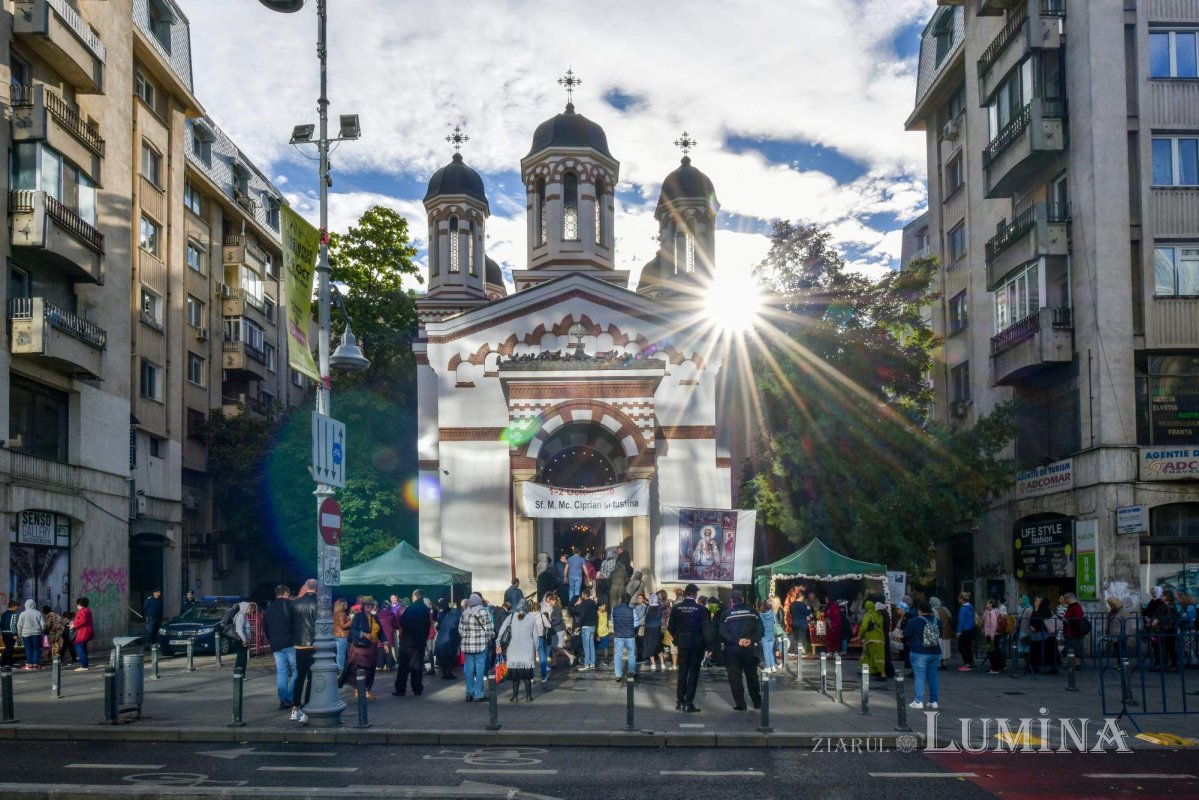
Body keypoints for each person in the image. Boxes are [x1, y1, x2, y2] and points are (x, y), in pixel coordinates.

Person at [668, 583, 711, 713]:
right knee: (693, 673)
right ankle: (688, 702)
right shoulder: (701, 609)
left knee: (682, 672)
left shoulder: (676, 608)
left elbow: (670, 626)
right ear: (694, 594)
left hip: (682, 642)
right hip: (696, 643)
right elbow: (706, 629)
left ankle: (680, 701)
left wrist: (677, 637)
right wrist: (709, 647)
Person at [718, 590, 763, 711]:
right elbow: (761, 631)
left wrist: (737, 640)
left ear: (732, 601)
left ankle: (741, 704)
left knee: (735, 678)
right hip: (750, 648)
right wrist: (749, 640)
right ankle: (757, 702)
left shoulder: (726, 615)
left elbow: (722, 633)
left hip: (732, 650)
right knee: (752, 675)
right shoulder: (753, 613)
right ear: (743, 599)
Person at [497, 600, 544, 702]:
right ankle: (528, 696)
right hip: (527, 650)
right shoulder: (531, 617)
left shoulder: (511, 616)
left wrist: (498, 644)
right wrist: (536, 647)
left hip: (513, 650)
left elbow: (501, 631)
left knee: (515, 676)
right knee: (527, 675)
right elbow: (536, 635)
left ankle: (515, 696)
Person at [341, 597, 384, 698]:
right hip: (360, 648)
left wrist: (385, 642)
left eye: (372, 605)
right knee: (359, 669)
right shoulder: (358, 616)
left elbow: (381, 632)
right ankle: (358, 689)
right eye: (368, 605)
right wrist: (363, 634)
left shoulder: (375, 617)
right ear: (364, 606)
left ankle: (367, 690)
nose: (370, 607)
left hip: (372, 647)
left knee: (371, 670)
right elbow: (352, 630)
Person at [262, 584, 295, 709]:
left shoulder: (269, 608)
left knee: (281, 672)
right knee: (297, 670)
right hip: (290, 643)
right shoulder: (290, 605)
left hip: (276, 645)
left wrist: (272, 640)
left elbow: (265, 627)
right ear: (286, 593)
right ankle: (292, 697)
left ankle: (283, 699)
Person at [395, 589, 433, 696]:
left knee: (403, 667)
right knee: (417, 667)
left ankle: (400, 689)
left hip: (407, 641)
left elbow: (402, 622)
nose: (412, 598)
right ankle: (417, 688)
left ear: (416, 596)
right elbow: (427, 626)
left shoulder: (410, 608)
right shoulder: (426, 610)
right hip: (419, 642)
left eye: (412, 596)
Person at [290, 578, 318, 723]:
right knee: (311, 678)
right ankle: (307, 707)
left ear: (305, 587)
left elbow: (291, 623)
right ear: (317, 589)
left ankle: (295, 708)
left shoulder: (294, 603)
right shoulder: (319, 604)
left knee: (299, 677)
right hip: (314, 645)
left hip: (299, 645)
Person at [905, 601, 941, 709]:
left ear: (919, 610)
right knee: (933, 677)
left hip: (919, 652)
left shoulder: (915, 621)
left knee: (919, 677)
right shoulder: (937, 621)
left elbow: (906, 634)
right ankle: (933, 701)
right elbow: (941, 634)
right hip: (935, 652)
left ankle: (918, 701)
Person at [458, 593, 494, 702]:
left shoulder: (464, 613)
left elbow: (460, 630)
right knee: (480, 670)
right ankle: (479, 694)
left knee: (469, 669)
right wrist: (488, 638)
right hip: (481, 645)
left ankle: (469, 693)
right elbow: (490, 629)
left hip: (467, 646)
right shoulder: (484, 612)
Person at [611, 593, 637, 683]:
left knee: (618, 655)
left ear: (621, 599)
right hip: (630, 635)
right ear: (629, 601)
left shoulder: (614, 610)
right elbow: (636, 623)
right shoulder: (632, 610)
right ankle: (631, 672)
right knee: (631, 655)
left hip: (618, 635)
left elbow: (613, 621)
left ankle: (618, 675)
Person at [433, 598, 461, 679]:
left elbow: (438, 627)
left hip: (442, 637)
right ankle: (449, 673)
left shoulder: (441, 615)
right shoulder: (456, 613)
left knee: (443, 656)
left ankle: (445, 673)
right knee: (450, 656)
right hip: (451, 637)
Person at [859, 600, 886, 679]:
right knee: (879, 656)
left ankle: (866, 671)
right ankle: (882, 673)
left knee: (868, 655)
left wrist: (860, 635)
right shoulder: (879, 615)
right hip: (881, 638)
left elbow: (864, 626)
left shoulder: (868, 615)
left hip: (871, 638)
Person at [574, 589, 598, 671]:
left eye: (582, 594)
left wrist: (579, 626)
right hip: (593, 626)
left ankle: (586, 663)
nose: (581, 596)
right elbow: (596, 615)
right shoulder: (593, 603)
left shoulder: (583, 604)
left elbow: (582, 615)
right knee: (591, 645)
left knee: (586, 646)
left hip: (586, 626)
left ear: (585, 595)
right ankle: (592, 663)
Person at [17, 599, 45, 669]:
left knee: (28, 648)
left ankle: (29, 664)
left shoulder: (22, 614)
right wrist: (42, 631)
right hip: (36, 633)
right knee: (36, 648)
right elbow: (43, 624)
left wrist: (19, 634)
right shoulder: (38, 613)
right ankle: (35, 664)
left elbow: (19, 625)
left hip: (25, 634)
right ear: (34, 605)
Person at [1061, 592, 1085, 669]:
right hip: (1071, 631)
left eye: (1066, 599)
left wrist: (1068, 620)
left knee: (1075, 648)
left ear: (1069, 599)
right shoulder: (1072, 607)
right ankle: (1075, 663)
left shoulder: (1076, 607)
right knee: (1071, 648)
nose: (1065, 601)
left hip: (1074, 632)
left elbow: (1078, 619)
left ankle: (1077, 664)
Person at [644, 593, 667, 671]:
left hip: (649, 629)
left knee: (650, 646)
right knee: (659, 646)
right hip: (657, 628)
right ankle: (662, 664)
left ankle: (653, 664)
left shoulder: (648, 607)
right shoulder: (660, 607)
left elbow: (645, 618)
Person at [982, 598, 1006, 674]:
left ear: (991, 604)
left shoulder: (992, 612)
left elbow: (993, 624)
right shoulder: (996, 611)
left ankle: (994, 668)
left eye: (988, 603)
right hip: (996, 634)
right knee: (996, 650)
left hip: (991, 635)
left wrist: (991, 635)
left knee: (992, 651)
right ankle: (1001, 665)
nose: (986, 604)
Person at [70, 597, 94, 671]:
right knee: (83, 648)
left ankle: (84, 666)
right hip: (86, 631)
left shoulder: (82, 611)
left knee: (80, 648)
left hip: (82, 632)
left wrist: (74, 625)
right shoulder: (87, 610)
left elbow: (83, 620)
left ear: (79, 604)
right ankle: (85, 665)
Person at [930, 597, 953, 669]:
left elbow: (935, 621)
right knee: (945, 647)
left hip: (938, 632)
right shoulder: (945, 609)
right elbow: (950, 618)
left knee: (939, 647)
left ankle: (938, 663)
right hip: (946, 631)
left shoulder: (933, 610)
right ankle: (944, 662)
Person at [787, 588, 811, 657]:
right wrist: (808, 609)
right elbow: (806, 613)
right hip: (802, 623)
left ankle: (791, 651)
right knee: (800, 639)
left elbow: (791, 613)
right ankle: (798, 652)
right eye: (803, 597)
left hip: (794, 623)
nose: (803, 599)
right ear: (801, 597)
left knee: (795, 637)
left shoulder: (792, 605)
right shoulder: (802, 604)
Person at [376, 597, 397, 672]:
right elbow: (395, 624)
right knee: (389, 651)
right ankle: (389, 665)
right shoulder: (391, 614)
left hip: (380, 635)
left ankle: (380, 665)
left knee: (380, 650)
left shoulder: (377, 614)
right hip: (389, 635)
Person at [232, 601, 252, 675]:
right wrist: (244, 640)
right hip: (241, 640)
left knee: (242, 657)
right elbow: (239, 630)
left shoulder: (244, 615)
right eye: (249, 607)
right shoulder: (241, 616)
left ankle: (241, 674)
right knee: (241, 658)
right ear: (244, 608)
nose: (250, 609)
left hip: (243, 640)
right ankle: (239, 675)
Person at [757, 600, 777, 673]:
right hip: (772, 635)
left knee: (766, 651)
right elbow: (776, 622)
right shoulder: (773, 613)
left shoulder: (761, 615)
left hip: (764, 635)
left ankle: (768, 667)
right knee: (771, 651)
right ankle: (773, 666)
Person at [332, 598, 351, 672]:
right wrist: (351, 621)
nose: (347, 605)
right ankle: (341, 669)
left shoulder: (335, 613)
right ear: (342, 605)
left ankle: (340, 668)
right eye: (345, 604)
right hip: (342, 636)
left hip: (336, 635)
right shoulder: (342, 613)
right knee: (341, 654)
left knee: (339, 653)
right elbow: (343, 626)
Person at [1, 600, 19, 668]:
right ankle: (7, 663)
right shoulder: (13, 614)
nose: (17, 608)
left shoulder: (4, 614)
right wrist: (15, 634)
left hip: (4, 633)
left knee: (7, 647)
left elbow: (1, 623)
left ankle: (4, 662)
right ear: (13, 606)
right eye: (17, 606)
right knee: (10, 648)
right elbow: (13, 624)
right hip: (10, 633)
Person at [596, 600, 612, 669]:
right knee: (595, 647)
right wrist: (596, 635)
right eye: (603, 605)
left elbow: (607, 623)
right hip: (598, 633)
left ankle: (606, 660)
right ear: (599, 607)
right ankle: (595, 659)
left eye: (605, 605)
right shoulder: (596, 614)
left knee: (606, 647)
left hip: (605, 633)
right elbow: (595, 625)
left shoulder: (606, 613)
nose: (605, 606)